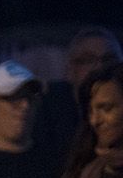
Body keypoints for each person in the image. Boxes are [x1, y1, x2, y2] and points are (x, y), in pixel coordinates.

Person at [32, 27, 121, 161]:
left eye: (109, 59)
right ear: (69, 70)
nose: (99, 67)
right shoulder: (47, 111)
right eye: (88, 60)